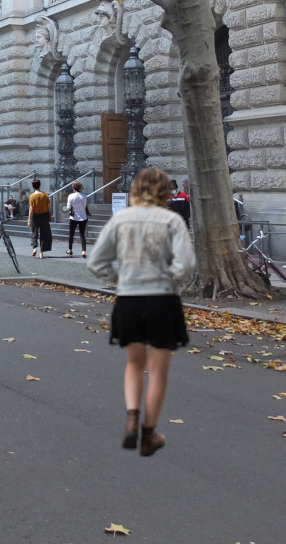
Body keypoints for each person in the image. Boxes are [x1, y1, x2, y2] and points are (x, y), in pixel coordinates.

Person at [88, 166, 195, 457]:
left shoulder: (121, 220)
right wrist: (166, 275)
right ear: (165, 191)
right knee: (159, 370)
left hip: (129, 299)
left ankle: (131, 419)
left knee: (134, 364)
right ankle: (149, 433)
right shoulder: (172, 220)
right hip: (162, 299)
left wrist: (120, 278)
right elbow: (186, 265)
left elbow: (96, 261)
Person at [26, 179, 52, 258]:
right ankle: (41, 253)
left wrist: (29, 220)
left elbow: (31, 209)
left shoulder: (32, 196)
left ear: (33, 187)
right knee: (44, 234)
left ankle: (34, 249)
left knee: (34, 233)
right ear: (40, 186)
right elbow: (49, 206)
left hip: (35, 216)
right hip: (44, 216)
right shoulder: (45, 195)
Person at [66, 180, 88, 258]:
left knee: (71, 234)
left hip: (73, 217)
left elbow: (68, 208)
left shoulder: (71, 196)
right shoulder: (84, 196)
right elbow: (85, 206)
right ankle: (83, 251)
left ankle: (70, 250)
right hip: (83, 217)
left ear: (73, 187)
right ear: (80, 187)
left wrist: (72, 208)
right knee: (82, 234)